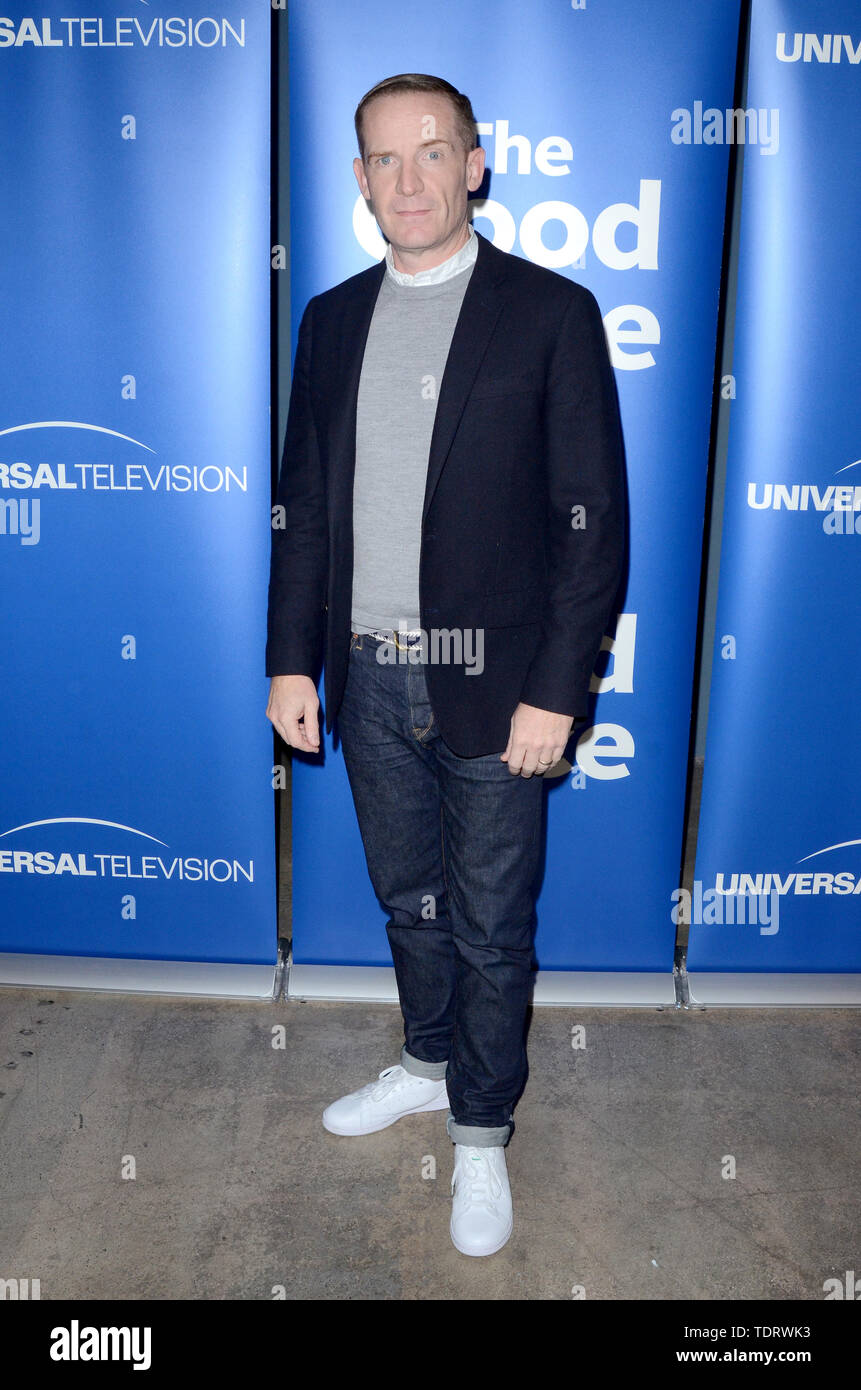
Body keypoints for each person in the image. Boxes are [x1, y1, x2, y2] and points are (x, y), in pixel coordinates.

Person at [266, 73, 626, 1257]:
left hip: (496, 682)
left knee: (489, 924)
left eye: (432, 154)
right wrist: (290, 663)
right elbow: (303, 509)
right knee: (409, 902)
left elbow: (591, 525)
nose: (407, 179)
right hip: (365, 675)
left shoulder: (548, 314)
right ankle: (426, 1060)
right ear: (359, 179)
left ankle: (482, 1133)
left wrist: (558, 690)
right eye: (383, 159)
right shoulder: (327, 319)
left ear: (475, 164)